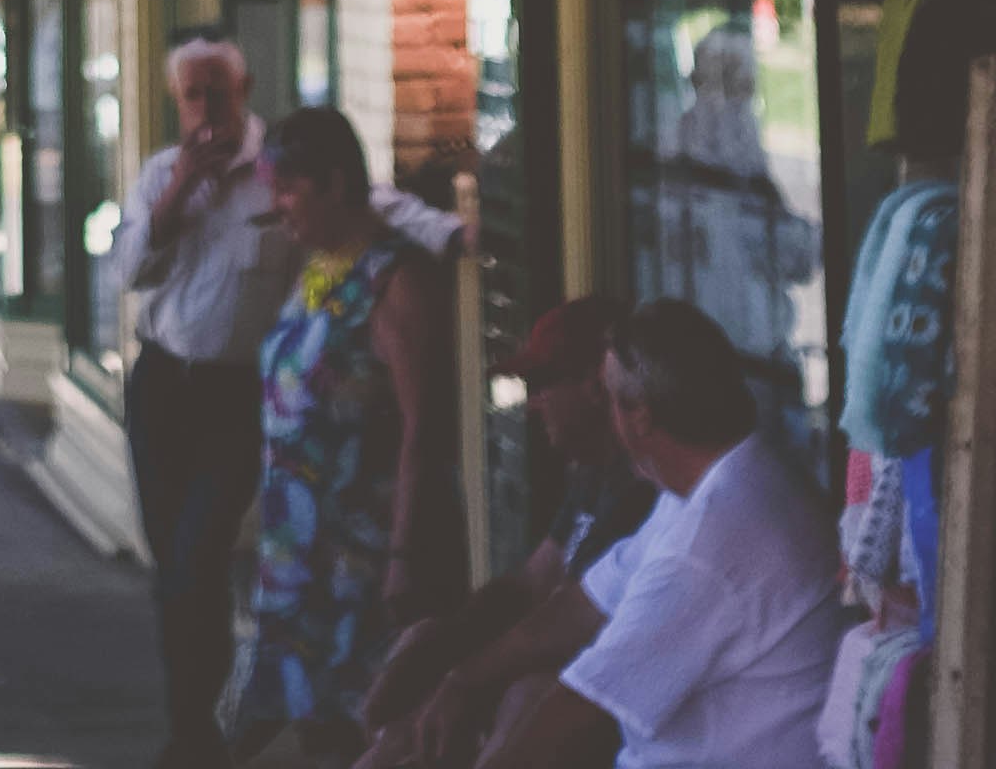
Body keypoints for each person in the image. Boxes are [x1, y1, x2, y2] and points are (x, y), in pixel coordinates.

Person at [469, 302, 849, 769]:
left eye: (609, 397)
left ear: (641, 415)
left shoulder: (712, 538)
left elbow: (572, 714)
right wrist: (459, 687)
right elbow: (582, 604)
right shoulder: (714, 482)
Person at [235, 106, 452, 765]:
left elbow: (427, 426)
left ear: (335, 183)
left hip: (360, 557)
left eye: (288, 189)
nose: (277, 207)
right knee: (312, 732)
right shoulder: (318, 269)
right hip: (296, 559)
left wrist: (403, 556)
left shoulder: (392, 281)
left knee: (363, 734)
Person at [351, 299, 647, 769]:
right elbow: (529, 583)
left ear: (595, 385)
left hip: (604, 703)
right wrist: (439, 646)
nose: (531, 405)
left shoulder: (643, 491)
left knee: (521, 697)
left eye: (543, 385)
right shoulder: (592, 472)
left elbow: (569, 622)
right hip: (543, 672)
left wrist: (463, 680)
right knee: (421, 662)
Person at [109, 31, 281, 768]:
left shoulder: (278, 175)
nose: (207, 107)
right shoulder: (158, 175)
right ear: (178, 103)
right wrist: (180, 191)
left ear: (244, 93)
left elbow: (362, 213)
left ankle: (201, 727)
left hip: (235, 393)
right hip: (161, 387)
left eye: (219, 91)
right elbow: (129, 273)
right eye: (193, 95)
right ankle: (192, 725)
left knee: (200, 555)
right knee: (173, 567)